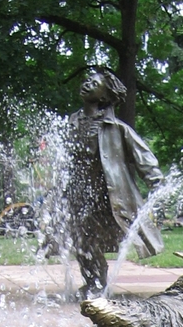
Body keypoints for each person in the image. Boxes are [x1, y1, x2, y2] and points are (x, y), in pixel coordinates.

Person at [66, 67, 164, 297]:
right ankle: (93, 282)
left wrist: (156, 183)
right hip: (78, 192)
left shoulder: (117, 129)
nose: (87, 83)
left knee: (92, 237)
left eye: (94, 82)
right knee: (81, 239)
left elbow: (144, 158)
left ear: (104, 96)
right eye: (86, 80)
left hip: (110, 195)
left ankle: (97, 282)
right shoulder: (70, 124)